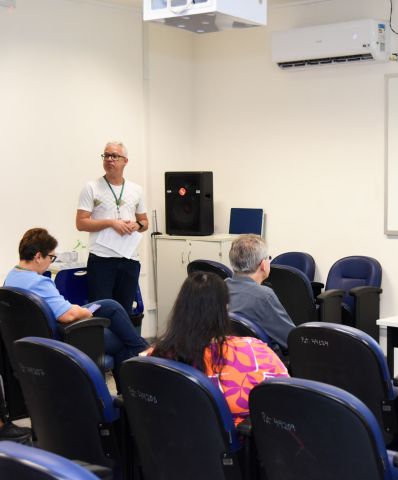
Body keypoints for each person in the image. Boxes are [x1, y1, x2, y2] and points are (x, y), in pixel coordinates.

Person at [4, 228, 149, 375]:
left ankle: (142, 349)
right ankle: (144, 354)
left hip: (31, 339)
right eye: (51, 257)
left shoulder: (12, 277)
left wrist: (74, 308)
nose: (50, 262)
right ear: (38, 256)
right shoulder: (39, 282)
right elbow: (67, 316)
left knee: (110, 305)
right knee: (122, 340)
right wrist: (84, 313)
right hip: (64, 338)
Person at [151, 272, 288, 426]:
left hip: (170, 442)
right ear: (225, 308)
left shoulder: (156, 356)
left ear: (181, 307)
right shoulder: (254, 355)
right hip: (230, 446)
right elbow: (285, 400)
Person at [76, 141, 148, 324]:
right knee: (101, 313)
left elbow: (145, 222)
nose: (109, 159)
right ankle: (102, 352)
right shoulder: (91, 187)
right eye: (106, 155)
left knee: (124, 313)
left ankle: (124, 353)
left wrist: (137, 226)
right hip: (102, 259)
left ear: (125, 161)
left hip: (129, 259)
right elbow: (81, 223)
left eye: (114, 156)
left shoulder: (136, 190)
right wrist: (110, 223)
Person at [225, 234, 295, 351]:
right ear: (263, 265)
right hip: (260, 361)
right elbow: (291, 340)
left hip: (227, 357)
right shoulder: (264, 296)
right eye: (268, 258)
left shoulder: (220, 287)